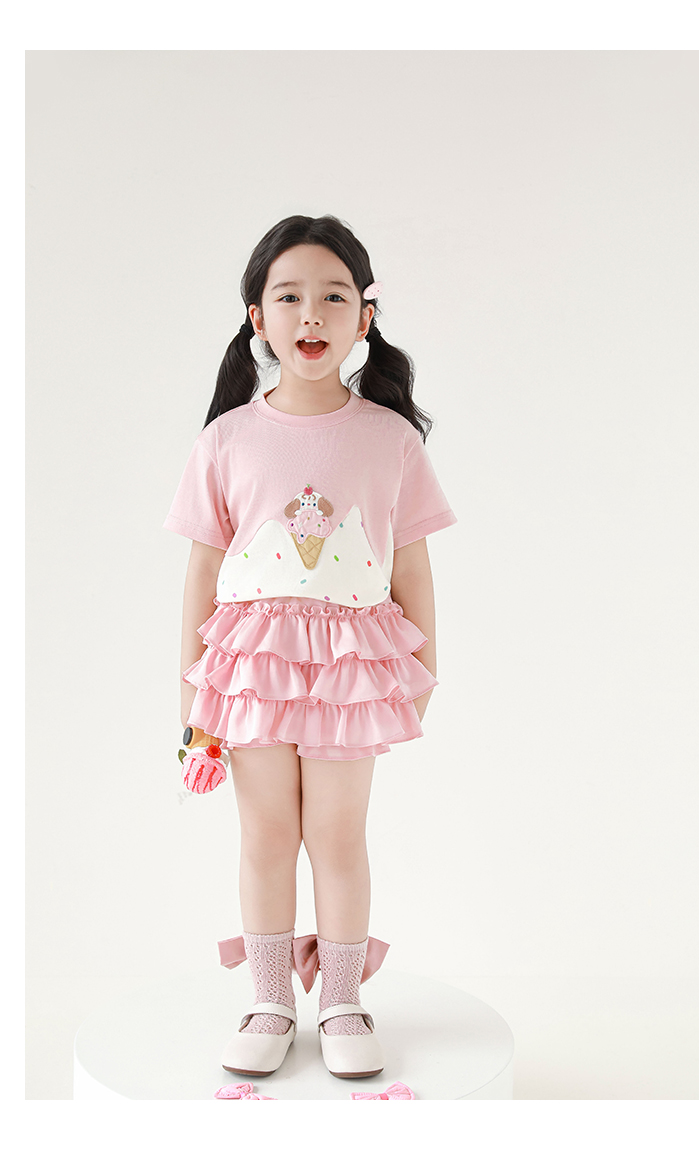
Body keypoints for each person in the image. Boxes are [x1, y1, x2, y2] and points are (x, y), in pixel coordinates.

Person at [163, 214, 457, 1079]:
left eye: (333, 296)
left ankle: (342, 998)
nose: (311, 314)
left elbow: (413, 565)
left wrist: (423, 671)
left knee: (337, 831)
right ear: (258, 317)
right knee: (264, 832)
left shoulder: (391, 439)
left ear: (364, 316)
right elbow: (201, 572)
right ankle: (267, 999)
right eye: (289, 296)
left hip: (350, 676)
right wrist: (193, 700)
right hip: (249, 672)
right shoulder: (225, 439)